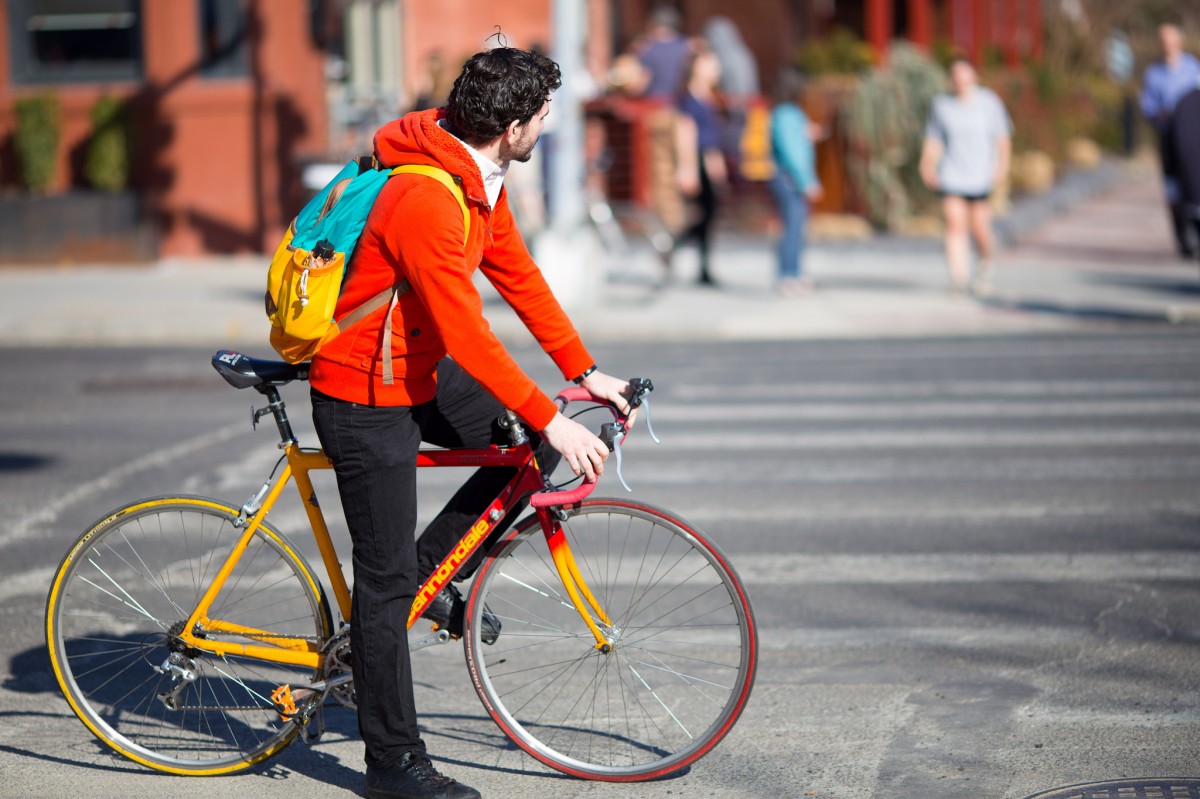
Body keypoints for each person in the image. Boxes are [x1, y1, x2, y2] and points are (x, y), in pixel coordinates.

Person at [309, 46, 632, 799]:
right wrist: (554, 416)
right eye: (544, 118)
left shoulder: (478, 179)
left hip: (413, 366)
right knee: (383, 586)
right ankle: (391, 762)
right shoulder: (426, 198)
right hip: (363, 390)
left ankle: (433, 576)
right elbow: (469, 335)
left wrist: (583, 373)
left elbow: (518, 276)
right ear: (513, 126)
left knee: (518, 449)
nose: (548, 128)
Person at [919, 56, 1012, 298]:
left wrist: (1001, 166)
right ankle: (958, 279)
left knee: (981, 229)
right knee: (954, 225)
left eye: (965, 75)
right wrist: (927, 164)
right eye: (957, 76)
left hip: (980, 173)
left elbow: (1002, 138)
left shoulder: (989, 102)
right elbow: (935, 139)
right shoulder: (942, 105)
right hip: (952, 172)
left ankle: (985, 265)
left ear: (974, 77)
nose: (961, 81)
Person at [1139, 23, 1200, 259]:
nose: (1168, 46)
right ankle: (1183, 236)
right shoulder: (1153, 73)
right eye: (1164, 42)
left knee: (1195, 185)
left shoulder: (1193, 68)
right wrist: (1158, 112)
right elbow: (1147, 105)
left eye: (1171, 41)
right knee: (1172, 188)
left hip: (1193, 137)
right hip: (1168, 137)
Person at [675, 46, 728, 286]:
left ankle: (701, 264)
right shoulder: (690, 99)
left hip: (707, 160)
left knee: (709, 215)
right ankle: (675, 247)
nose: (716, 70)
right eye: (711, 64)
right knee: (703, 214)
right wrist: (688, 169)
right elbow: (686, 133)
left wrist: (717, 161)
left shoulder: (710, 98)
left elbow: (711, 137)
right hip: (696, 160)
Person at [768, 68, 823, 296]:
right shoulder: (787, 114)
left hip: (787, 178)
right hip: (790, 179)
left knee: (795, 227)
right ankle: (788, 275)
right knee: (793, 228)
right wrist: (808, 181)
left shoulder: (785, 114)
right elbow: (793, 153)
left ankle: (793, 272)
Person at [634, 5, 694, 100]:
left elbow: (642, 83)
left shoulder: (649, 49)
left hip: (655, 102)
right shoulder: (686, 46)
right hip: (681, 100)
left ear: (654, 25)